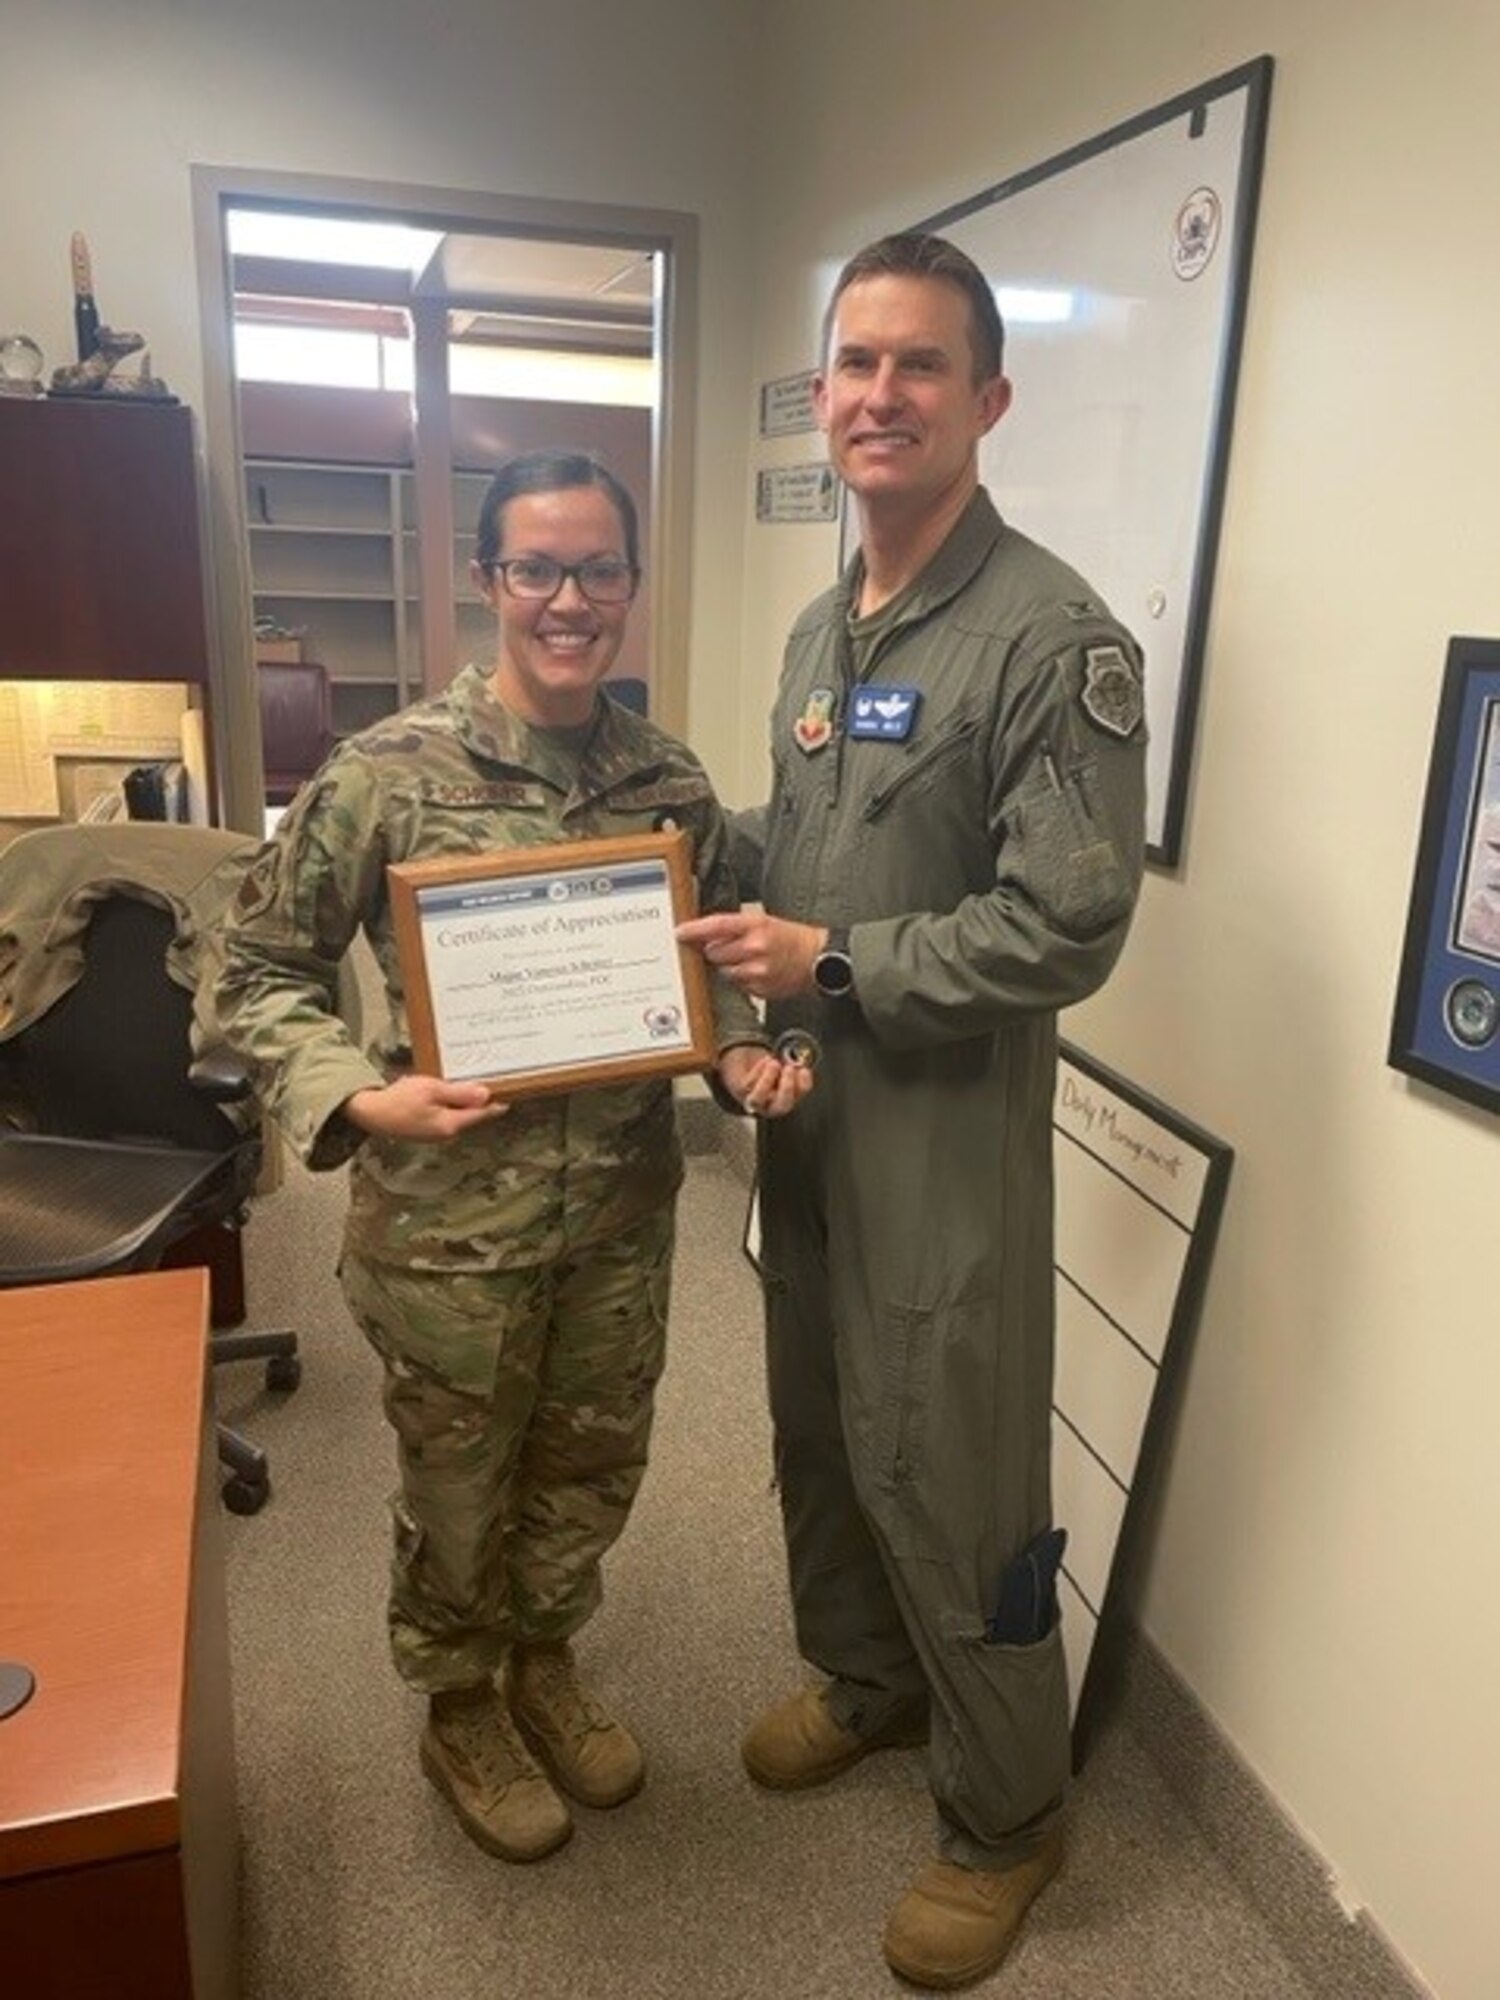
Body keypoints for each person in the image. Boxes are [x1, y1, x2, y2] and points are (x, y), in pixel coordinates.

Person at [217, 449, 811, 1867]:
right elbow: (250, 969)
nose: (569, 599)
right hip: (447, 1234)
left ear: (630, 587)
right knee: (459, 1488)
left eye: (599, 569)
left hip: (617, 1215)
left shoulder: (669, 783)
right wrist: (359, 1101)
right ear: (489, 581)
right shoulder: (383, 774)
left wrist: (731, 1050)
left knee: (591, 1465)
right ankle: (461, 1705)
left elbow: (716, 961)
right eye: (537, 568)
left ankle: (546, 1662)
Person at [678, 234, 1147, 1987]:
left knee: (952, 1467)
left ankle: (1011, 1817)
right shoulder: (825, 621)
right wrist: (754, 1002)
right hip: (810, 1117)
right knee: (812, 1423)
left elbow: (1067, 924)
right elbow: (804, 876)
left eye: (919, 367)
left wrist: (839, 964)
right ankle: (870, 1683)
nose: (877, 396)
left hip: (946, 1147)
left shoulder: (1052, 638)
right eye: (853, 366)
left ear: (988, 400)